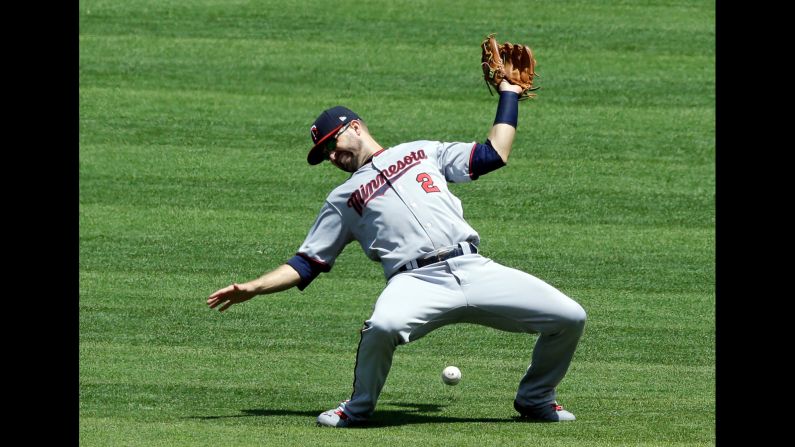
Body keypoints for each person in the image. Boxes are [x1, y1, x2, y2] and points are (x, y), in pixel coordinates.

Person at [206, 80, 587, 428]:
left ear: (354, 127)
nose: (331, 158)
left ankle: (536, 398)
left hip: (473, 267)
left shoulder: (422, 151)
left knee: (570, 317)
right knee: (382, 327)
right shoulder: (342, 199)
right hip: (415, 282)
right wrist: (255, 287)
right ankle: (357, 407)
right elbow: (306, 263)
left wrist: (508, 94)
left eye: (331, 146)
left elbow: (493, 154)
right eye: (324, 155)